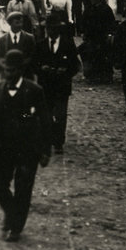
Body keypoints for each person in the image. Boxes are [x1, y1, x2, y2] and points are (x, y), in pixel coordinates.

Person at [0, 49, 51, 242]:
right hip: (1, 148)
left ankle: (16, 227)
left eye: (11, 70)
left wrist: (45, 150)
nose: (7, 74)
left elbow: (44, 121)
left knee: (23, 190)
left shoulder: (34, 91)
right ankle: (12, 214)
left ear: (20, 70)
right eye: (5, 70)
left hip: (27, 149)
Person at [34, 12, 80, 153]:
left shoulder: (68, 45)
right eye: (48, 28)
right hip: (45, 86)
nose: (51, 31)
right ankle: (48, 138)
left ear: (59, 29)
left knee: (60, 115)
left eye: (53, 28)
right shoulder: (40, 45)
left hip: (61, 87)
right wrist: (42, 69)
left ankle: (59, 142)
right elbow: (34, 65)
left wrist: (65, 72)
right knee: (46, 115)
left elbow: (75, 66)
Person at [0, 11, 37, 78]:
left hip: (25, 76)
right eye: (17, 22)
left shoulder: (29, 38)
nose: (20, 25)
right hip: (7, 77)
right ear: (10, 23)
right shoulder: (2, 39)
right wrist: (4, 65)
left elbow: (34, 56)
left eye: (21, 22)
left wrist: (22, 64)